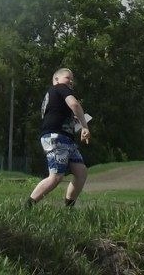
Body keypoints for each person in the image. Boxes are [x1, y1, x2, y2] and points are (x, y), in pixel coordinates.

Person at [26, 67, 91, 209]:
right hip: (56, 137)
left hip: (66, 139)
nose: (71, 81)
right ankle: (27, 207)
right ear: (56, 79)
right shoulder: (60, 88)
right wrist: (85, 126)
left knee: (81, 172)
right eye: (68, 77)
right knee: (56, 177)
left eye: (72, 79)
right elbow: (74, 104)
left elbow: (63, 115)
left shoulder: (56, 95)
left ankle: (69, 209)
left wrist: (78, 123)